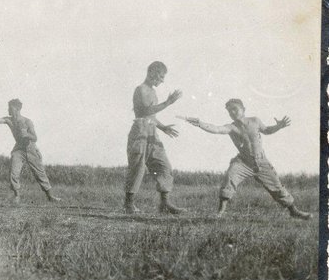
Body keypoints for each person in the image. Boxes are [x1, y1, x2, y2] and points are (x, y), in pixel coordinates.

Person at [185, 98, 311, 219]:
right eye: (229, 111)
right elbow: (217, 129)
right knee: (229, 177)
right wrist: (200, 124)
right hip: (243, 162)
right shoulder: (231, 127)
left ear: (243, 109)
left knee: (277, 187)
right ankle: (221, 212)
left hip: (261, 162)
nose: (232, 113)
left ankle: (294, 211)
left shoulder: (255, 120)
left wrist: (278, 126)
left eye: (235, 109)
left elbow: (267, 130)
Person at [0, 99, 61, 204]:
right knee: (13, 172)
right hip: (18, 149)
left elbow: (35, 137)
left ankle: (50, 196)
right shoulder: (9, 120)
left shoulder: (27, 121)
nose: (8, 110)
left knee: (40, 173)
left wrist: (27, 135)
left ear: (17, 108)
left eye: (10, 108)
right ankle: (17, 196)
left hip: (31, 149)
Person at [124, 61, 186, 214]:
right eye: (160, 76)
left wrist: (163, 127)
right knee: (137, 167)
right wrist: (168, 102)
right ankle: (129, 204)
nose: (162, 80)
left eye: (163, 77)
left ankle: (164, 204)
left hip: (152, 132)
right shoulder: (141, 89)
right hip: (140, 132)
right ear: (151, 72)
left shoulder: (153, 92)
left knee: (164, 166)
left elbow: (151, 116)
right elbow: (145, 111)